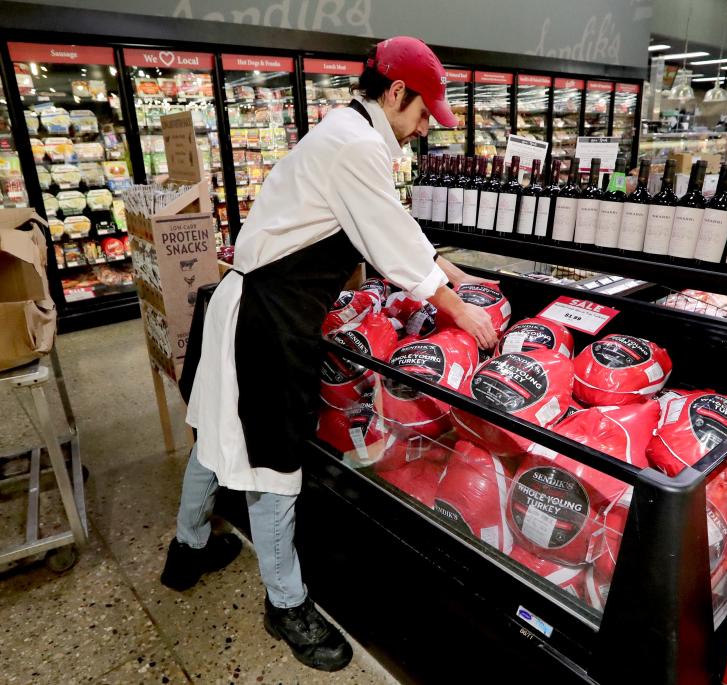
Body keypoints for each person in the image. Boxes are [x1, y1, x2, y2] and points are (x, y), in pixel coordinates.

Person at [159, 36, 497, 672]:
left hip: (247, 305)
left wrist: (448, 270)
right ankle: (286, 603)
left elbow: (390, 231)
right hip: (267, 320)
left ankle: (188, 550)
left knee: (215, 434)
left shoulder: (345, 131)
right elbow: (397, 249)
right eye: (425, 113)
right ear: (396, 92)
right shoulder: (359, 144)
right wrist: (462, 310)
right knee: (272, 461)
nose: (426, 129)